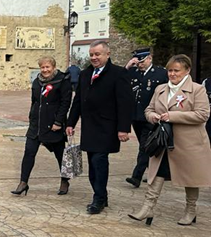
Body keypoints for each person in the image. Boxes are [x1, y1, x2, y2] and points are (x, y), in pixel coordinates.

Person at [128, 54, 211, 226]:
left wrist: (171, 116)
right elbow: (148, 109)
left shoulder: (197, 89)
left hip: (189, 142)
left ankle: (190, 210)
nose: (172, 74)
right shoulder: (161, 89)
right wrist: (153, 116)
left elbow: (202, 114)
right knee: (156, 173)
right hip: (163, 140)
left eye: (176, 71)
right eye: (170, 70)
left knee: (190, 177)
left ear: (187, 70)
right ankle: (147, 207)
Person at [66, 40, 132, 214]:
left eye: (97, 54)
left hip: (107, 127)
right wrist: (70, 122)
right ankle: (101, 194)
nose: (94, 57)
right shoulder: (85, 74)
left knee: (99, 162)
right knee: (92, 165)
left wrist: (123, 128)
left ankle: (99, 198)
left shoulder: (118, 74)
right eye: (92, 54)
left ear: (107, 54)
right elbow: (78, 100)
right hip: (89, 127)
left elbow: (125, 103)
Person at [11, 56, 72, 197]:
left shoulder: (62, 81)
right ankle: (23, 182)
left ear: (53, 67)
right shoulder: (37, 82)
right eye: (42, 67)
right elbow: (34, 101)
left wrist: (58, 122)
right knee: (29, 153)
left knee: (60, 155)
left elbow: (65, 104)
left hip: (53, 126)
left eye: (47, 67)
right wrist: (31, 116)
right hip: (36, 126)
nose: (45, 70)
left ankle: (65, 180)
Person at [124, 48, 168, 187]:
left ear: (149, 58)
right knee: (146, 145)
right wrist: (128, 66)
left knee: (144, 146)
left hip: (151, 115)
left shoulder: (161, 73)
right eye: (138, 62)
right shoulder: (132, 72)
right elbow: (120, 80)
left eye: (142, 62)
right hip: (136, 115)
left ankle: (136, 176)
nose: (139, 64)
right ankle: (156, 172)